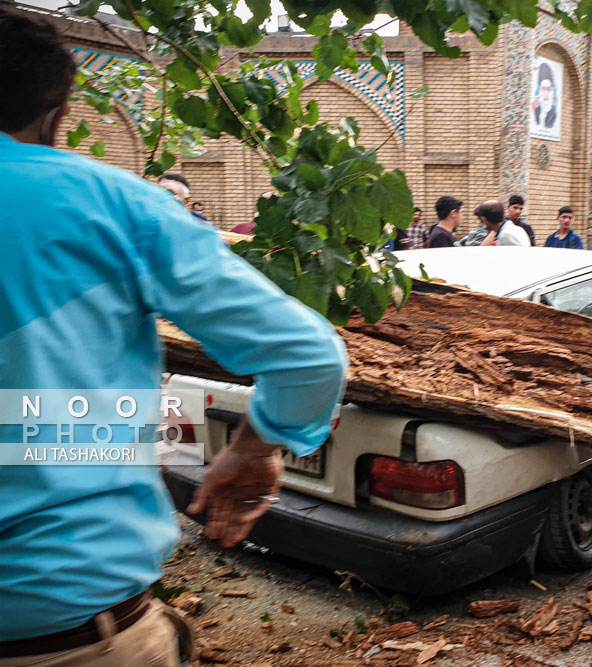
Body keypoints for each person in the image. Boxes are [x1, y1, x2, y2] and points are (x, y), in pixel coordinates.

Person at [0, 10, 349, 664]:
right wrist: (254, 447)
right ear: (57, 112)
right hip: (72, 635)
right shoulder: (108, 204)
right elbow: (308, 355)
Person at [532, 62, 558, 130]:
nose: (546, 93)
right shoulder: (535, 113)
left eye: (549, 89)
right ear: (539, 91)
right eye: (543, 89)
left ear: (553, 91)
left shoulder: (553, 115)